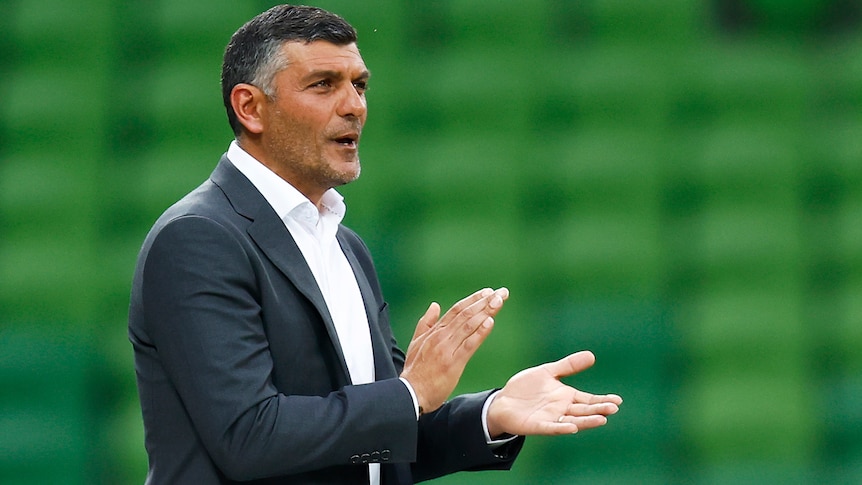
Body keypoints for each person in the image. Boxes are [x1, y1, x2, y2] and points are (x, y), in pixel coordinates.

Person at [128, 4, 622, 484]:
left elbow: (379, 441)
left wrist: (492, 413)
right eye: (324, 85)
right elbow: (248, 437)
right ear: (250, 107)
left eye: (359, 85)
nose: (354, 105)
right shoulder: (198, 238)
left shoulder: (345, 245)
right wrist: (410, 394)